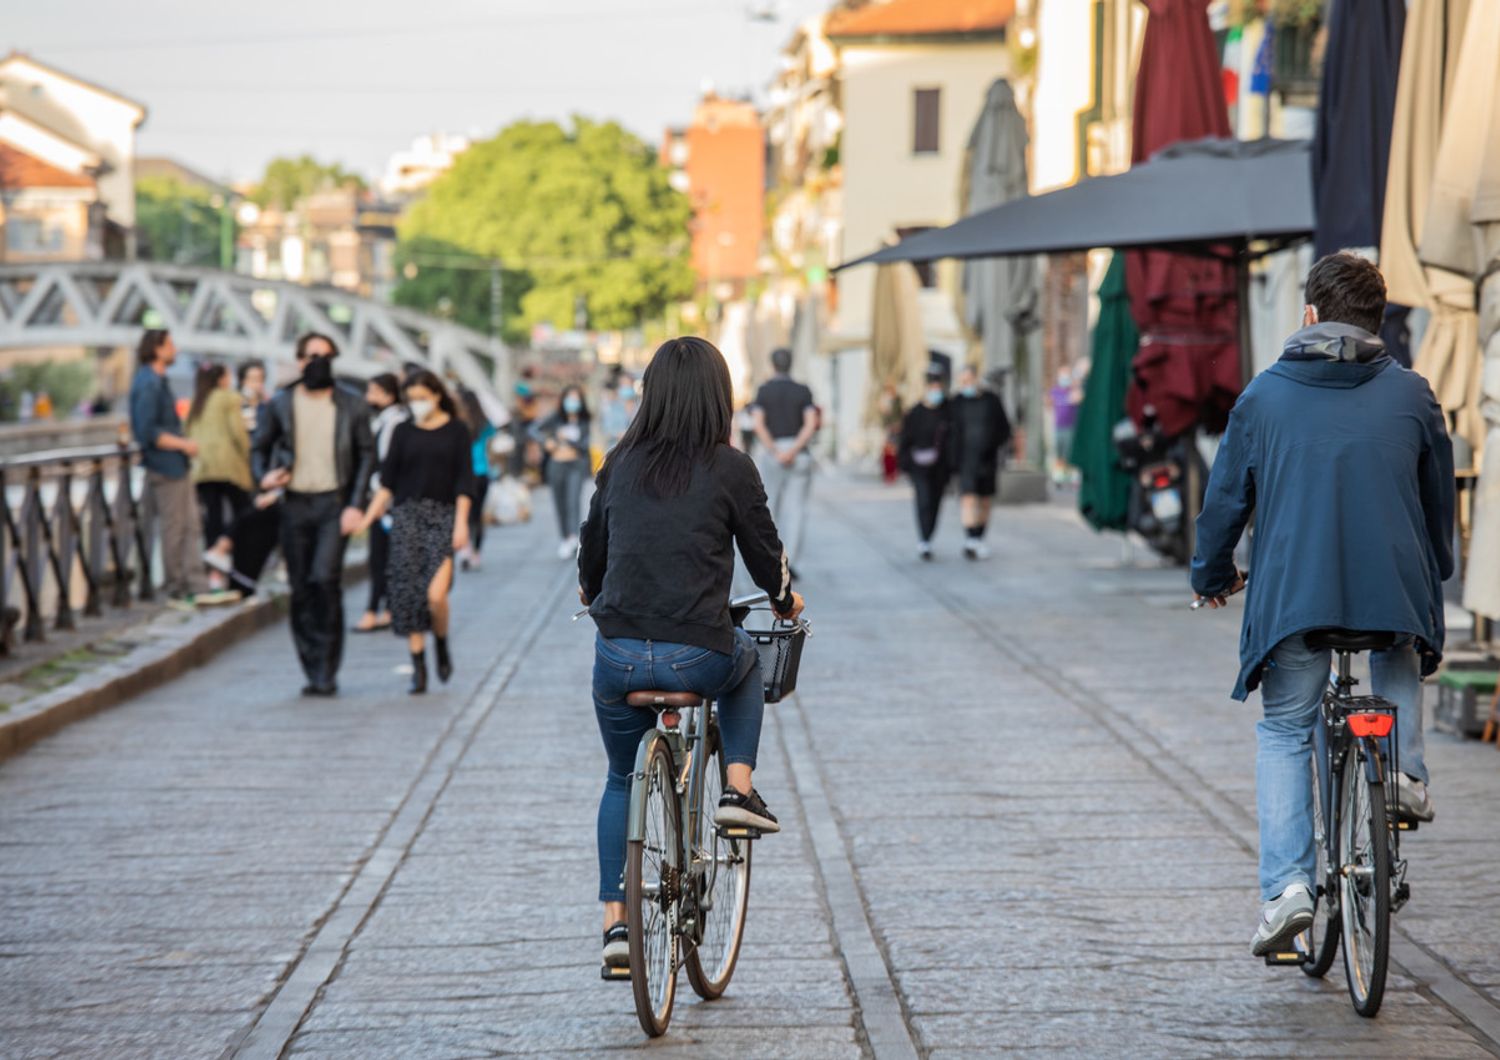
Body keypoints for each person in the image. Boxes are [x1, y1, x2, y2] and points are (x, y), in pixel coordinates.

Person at [1190, 252, 1455, 958]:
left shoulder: (1264, 396)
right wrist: (1439, 572)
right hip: (1392, 591)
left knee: (1284, 729)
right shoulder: (1413, 395)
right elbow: (1438, 506)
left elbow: (1223, 506)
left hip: (1295, 600)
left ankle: (1288, 891)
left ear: (1308, 316)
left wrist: (1211, 574)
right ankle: (1401, 775)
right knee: (1399, 638)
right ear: (1380, 321)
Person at [578, 335, 804, 970]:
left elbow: (590, 561)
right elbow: (766, 559)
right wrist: (786, 602)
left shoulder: (619, 462)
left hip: (618, 658)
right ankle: (738, 790)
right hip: (696, 657)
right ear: (718, 397)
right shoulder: (729, 466)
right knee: (746, 664)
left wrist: (595, 590)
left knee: (621, 776)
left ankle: (616, 926)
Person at [252, 332, 375, 697]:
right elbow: (259, 447)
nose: (318, 361)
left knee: (325, 579)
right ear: (300, 360)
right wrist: (265, 476)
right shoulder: (281, 404)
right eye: (311, 355)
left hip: (333, 505)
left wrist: (356, 504)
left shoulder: (351, 405)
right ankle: (311, 665)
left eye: (325, 355)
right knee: (302, 586)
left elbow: (367, 455)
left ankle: (327, 667)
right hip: (294, 504)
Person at [356, 371, 474, 694]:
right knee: (409, 594)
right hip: (406, 518)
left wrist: (462, 523)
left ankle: (441, 640)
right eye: (412, 399)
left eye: (422, 397)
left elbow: (465, 482)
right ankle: (419, 664)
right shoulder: (403, 431)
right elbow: (387, 482)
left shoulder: (456, 431)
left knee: (436, 595)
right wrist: (366, 519)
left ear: (437, 395)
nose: (417, 404)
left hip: (443, 517)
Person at [128, 329, 229, 607]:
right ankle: (177, 588)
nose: (175, 349)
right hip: (166, 465)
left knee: (190, 525)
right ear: (157, 349)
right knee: (176, 527)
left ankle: (195, 585)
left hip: (175, 465)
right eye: (170, 344)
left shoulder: (157, 381)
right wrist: (183, 444)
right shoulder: (149, 383)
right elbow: (146, 431)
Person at [751, 347, 818, 576]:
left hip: (773, 453)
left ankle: (773, 560)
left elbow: (758, 424)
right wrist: (794, 450)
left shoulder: (764, 391)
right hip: (799, 454)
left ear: (773, 364)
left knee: (771, 509)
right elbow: (810, 424)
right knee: (797, 509)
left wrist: (775, 450)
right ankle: (793, 562)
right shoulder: (802, 390)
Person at [187, 363, 254, 587]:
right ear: (221, 379)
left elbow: (188, 432)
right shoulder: (228, 398)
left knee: (212, 520)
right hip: (228, 465)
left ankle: (214, 576)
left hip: (203, 468)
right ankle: (226, 553)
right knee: (246, 511)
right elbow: (238, 433)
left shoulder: (197, 402)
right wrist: (248, 455)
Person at [354, 374, 408, 633]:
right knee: (385, 558)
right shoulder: (385, 421)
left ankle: (374, 610)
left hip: (386, 501)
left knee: (380, 558)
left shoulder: (394, 423)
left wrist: (378, 500)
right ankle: (387, 609)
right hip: (386, 499)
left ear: (389, 394)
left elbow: (388, 467)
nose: (369, 398)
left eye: (374, 392)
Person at [950, 365, 1012, 561]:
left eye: (968, 380)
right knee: (968, 498)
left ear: (975, 378)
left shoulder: (991, 401)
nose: (966, 385)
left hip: (988, 459)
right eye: (963, 382)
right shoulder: (957, 403)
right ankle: (970, 538)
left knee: (985, 499)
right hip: (965, 460)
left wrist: (993, 445)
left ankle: (979, 536)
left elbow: (1004, 428)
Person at [897, 363, 954, 561]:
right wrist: (904, 464)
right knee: (923, 500)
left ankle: (928, 536)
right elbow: (906, 439)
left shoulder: (948, 410)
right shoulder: (916, 412)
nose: (935, 389)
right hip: (918, 466)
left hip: (941, 467)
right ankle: (924, 540)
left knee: (936, 501)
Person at [531, 384, 592, 559]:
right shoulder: (555, 418)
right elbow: (534, 430)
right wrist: (548, 442)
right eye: (569, 398)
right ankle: (565, 538)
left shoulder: (583, 420)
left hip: (576, 465)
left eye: (576, 399)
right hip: (556, 465)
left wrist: (567, 440)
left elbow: (584, 445)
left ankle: (574, 538)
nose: (572, 402)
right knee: (560, 503)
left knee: (573, 501)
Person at [456, 388, 496, 571]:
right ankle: (476, 553)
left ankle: (465, 550)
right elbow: (491, 447)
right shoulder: (484, 422)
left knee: (464, 513)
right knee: (477, 515)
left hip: (463, 473)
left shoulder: (459, 422)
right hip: (482, 472)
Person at [598, 370, 638, 452]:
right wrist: (619, 434)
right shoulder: (612, 407)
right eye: (623, 384)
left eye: (628, 384)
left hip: (635, 451)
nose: (626, 386)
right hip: (614, 450)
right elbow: (606, 429)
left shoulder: (639, 406)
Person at [238, 360, 268, 433]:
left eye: (261, 379)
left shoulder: (266, 407)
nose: (258, 384)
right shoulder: (236, 405)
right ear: (242, 381)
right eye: (254, 379)